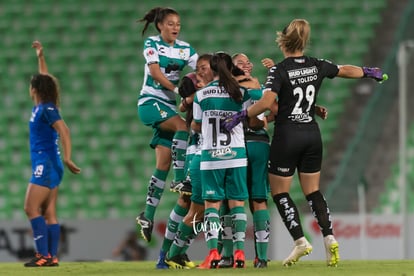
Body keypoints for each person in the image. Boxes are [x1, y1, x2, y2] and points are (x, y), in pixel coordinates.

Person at [222, 19, 386, 267]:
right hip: (312, 134)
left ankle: (300, 241)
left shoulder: (279, 70)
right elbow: (343, 69)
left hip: (287, 134)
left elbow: (267, 103)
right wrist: (368, 72)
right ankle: (329, 236)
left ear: (282, 41)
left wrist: (242, 115)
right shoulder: (316, 64)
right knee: (313, 190)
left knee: (280, 192)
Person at [135, 6, 199, 247]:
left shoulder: (185, 49)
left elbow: (203, 69)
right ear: (160, 25)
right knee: (184, 127)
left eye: (178, 24)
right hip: (151, 102)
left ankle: (146, 216)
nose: (175, 27)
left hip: (169, 107)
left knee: (162, 164)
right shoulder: (152, 43)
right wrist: (177, 91)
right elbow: (154, 71)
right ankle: (181, 179)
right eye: (171, 23)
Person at [192, 52, 262, 269]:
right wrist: (244, 78)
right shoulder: (240, 92)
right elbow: (261, 99)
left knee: (212, 205)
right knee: (237, 204)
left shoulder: (201, 94)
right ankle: (240, 253)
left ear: (211, 69)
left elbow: (195, 125)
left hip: (211, 157)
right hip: (237, 156)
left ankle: (213, 252)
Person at [24, 41, 81, 267]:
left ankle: (43, 255)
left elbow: (64, 130)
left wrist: (68, 157)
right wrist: (40, 57)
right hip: (50, 163)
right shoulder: (44, 105)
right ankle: (52, 256)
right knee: (49, 212)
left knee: (30, 208)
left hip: (46, 163)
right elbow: (45, 77)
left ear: (35, 90)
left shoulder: (46, 109)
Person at [164, 54, 214, 269]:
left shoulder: (207, 92)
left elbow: (185, 106)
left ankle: (177, 252)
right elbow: (192, 122)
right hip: (200, 153)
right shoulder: (200, 92)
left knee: (201, 211)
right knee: (196, 208)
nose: (201, 72)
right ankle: (171, 253)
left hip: (207, 154)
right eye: (200, 68)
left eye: (205, 68)